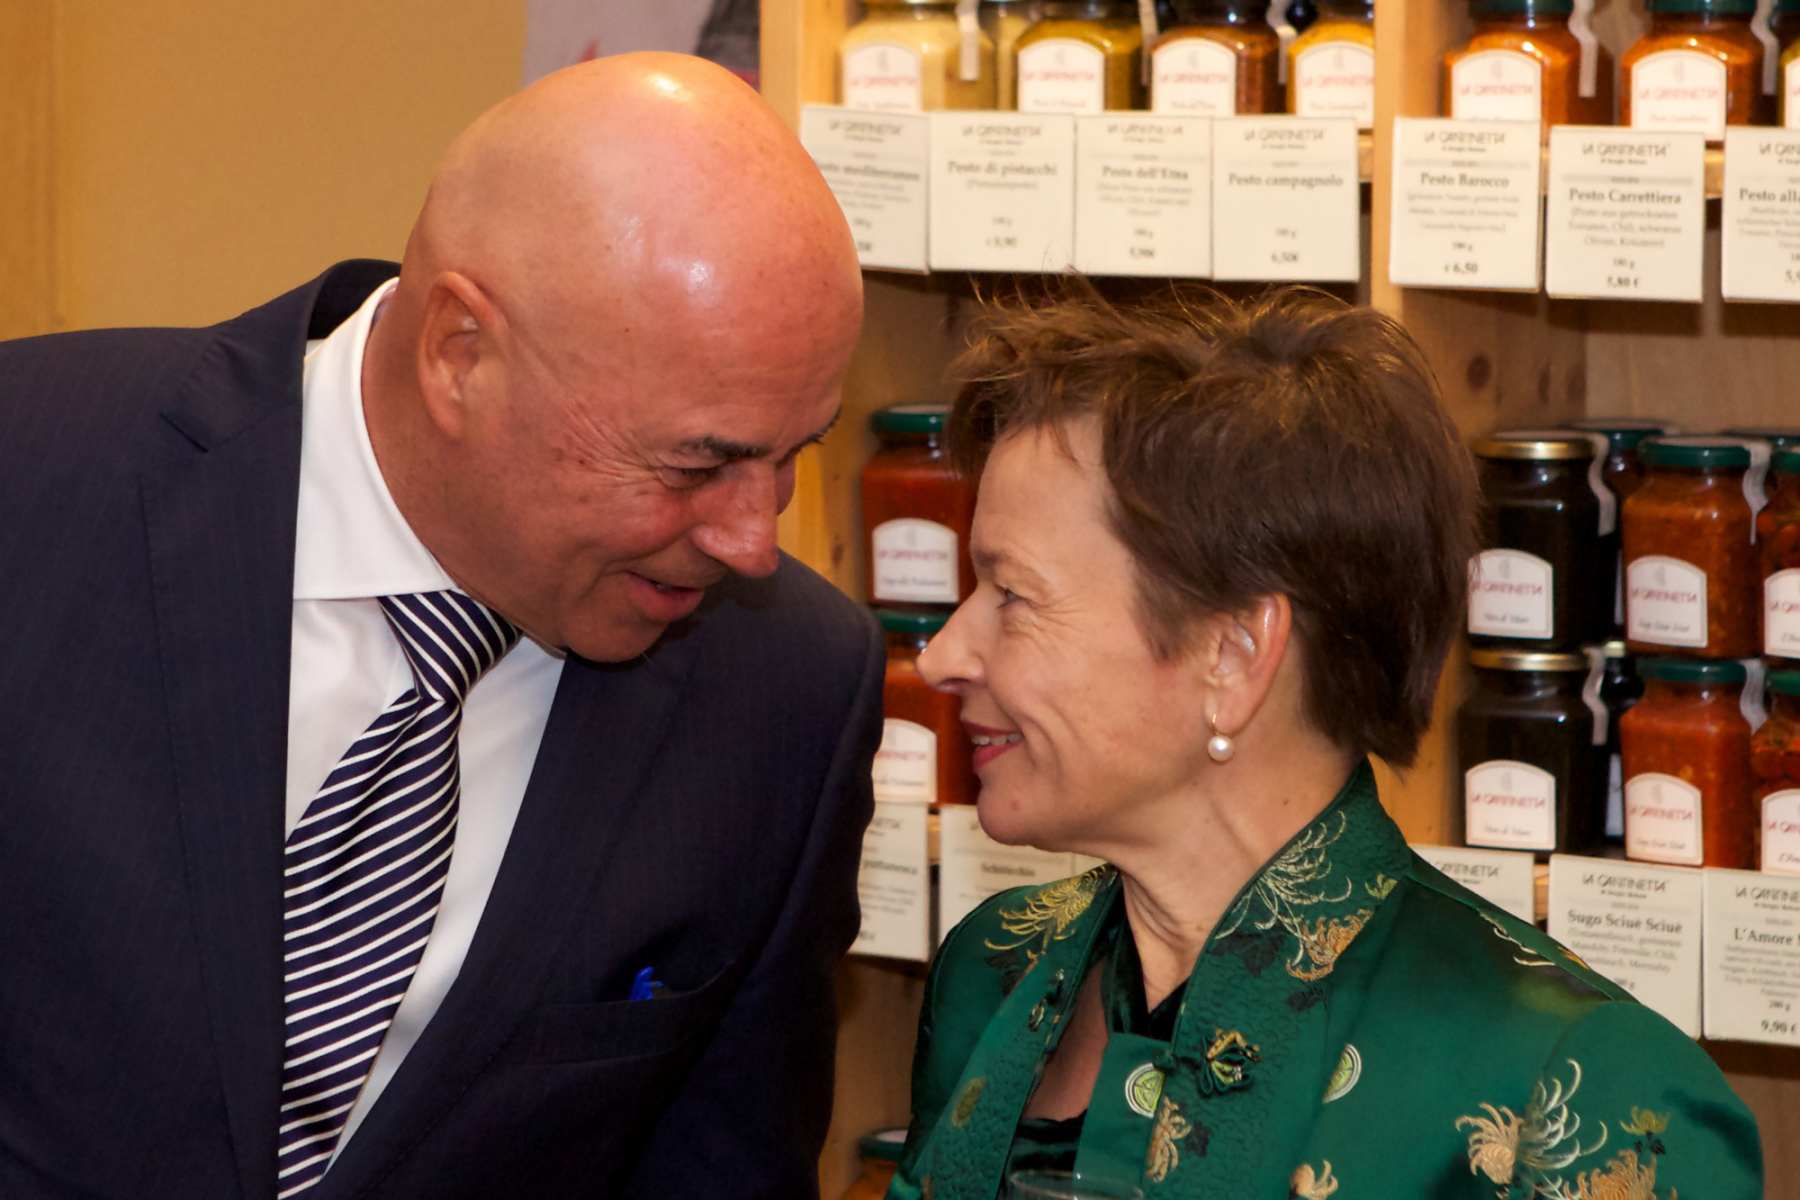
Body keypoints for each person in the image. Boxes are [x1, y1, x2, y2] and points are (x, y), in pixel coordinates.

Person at [0, 53, 880, 1199]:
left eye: (795, 453)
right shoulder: (33, 480)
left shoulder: (788, 689)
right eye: (695, 464)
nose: (754, 540)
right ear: (461, 353)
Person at [887, 285, 1762, 1199]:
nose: (943, 655)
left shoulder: (1587, 1091)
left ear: (1234, 654)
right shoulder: (994, 968)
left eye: (1012, 596)